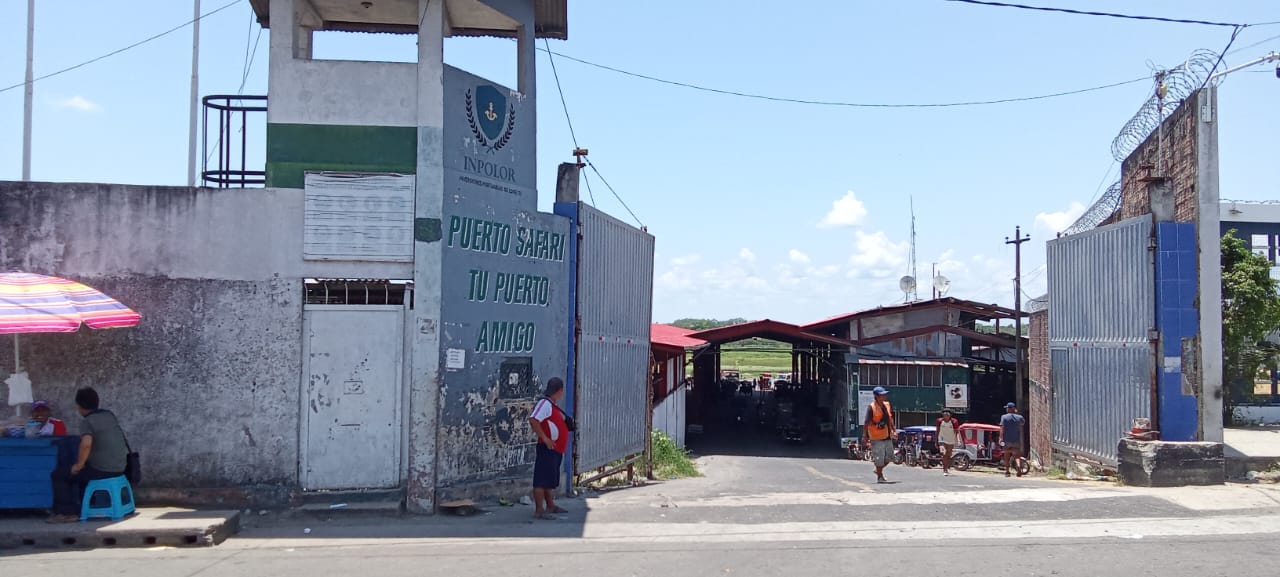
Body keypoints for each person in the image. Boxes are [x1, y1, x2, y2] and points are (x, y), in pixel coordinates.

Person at [47, 387, 130, 523]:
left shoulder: (88, 421)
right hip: (121, 467)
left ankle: (67, 513)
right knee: (82, 473)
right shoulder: (109, 415)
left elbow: (86, 444)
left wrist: (78, 465)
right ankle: (84, 506)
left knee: (60, 475)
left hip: (103, 470)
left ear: (80, 406)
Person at [528, 378, 570, 520]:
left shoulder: (552, 405)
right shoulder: (545, 404)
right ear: (560, 391)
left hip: (554, 449)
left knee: (548, 479)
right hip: (547, 448)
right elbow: (533, 419)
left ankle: (550, 505)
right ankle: (539, 510)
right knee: (541, 480)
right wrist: (545, 439)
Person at [862, 387, 897, 484]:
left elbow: (890, 419)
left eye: (884, 394)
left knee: (890, 456)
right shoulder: (871, 407)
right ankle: (880, 476)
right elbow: (866, 422)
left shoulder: (887, 405)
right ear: (876, 396)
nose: (884, 396)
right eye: (882, 395)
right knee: (879, 458)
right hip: (876, 436)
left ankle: (878, 469)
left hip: (886, 434)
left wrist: (894, 430)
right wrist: (864, 435)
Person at [1000, 402, 1026, 478]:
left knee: (1006, 455)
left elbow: (1002, 428)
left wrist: (1000, 438)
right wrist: (1016, 413)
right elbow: (1022, 423)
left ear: (1009, 409)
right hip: (1016, 440)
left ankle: (1007, 471)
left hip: (1006, 440)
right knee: (1017, 455)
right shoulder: (1019, 417)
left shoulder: (1004, 417)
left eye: (1007, 408)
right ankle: (1018, 467)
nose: (1006, 409)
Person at [936, 409, 961, 476]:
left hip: (951, 440)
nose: (946, 416)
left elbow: (957, 432)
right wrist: (936, 441)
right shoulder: (939, 421)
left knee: (948, 455)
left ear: (950, 415)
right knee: (944, 454)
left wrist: (958, 440)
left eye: (947, 414)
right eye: (944, 414)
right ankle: (945, 469)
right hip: (942, 439)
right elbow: (937, 431)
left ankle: (947, 467)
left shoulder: (954, 421)